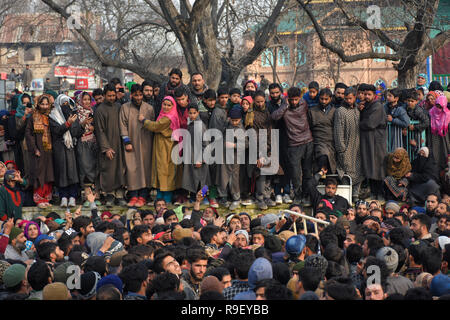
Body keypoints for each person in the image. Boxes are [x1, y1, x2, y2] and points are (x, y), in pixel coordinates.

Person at [271, 86, 313, 204]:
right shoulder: (285, 108)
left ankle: (306, 195)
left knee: (307, 172)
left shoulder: (304, 104)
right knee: (295, 173)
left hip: (308, 141)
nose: (294, 102)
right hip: (293, 144)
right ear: (288, 98)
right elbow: (274, 116)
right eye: (292, 100)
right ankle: (298, 195)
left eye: (296, 99)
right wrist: (285, 105)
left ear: (299, 98)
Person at [139, 96, 182, 204]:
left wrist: (143, 120)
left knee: (166, 171)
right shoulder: (164, 115)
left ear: (173, 106)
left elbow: (155, 126)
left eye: (169, 105)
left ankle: (166, 199)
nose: (166, 107)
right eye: (164, 104)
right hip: (161, 146)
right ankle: (159, 196)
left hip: (167, 148)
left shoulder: (169, 118)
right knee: (160, 170)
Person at [120, 84, 155, 208]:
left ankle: (143, 196)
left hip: (146, 144)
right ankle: (133, 195)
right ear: (131, 95)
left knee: (145, 169)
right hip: (131, 144)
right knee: (131, 169)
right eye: (136, 95)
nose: (139, 97)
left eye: (140, 95)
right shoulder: (125, 108)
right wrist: (127, 142)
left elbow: (153, 126)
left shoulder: (149, 108)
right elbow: (123, 125)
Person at [94, 84, 126, 207]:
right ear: (104, 95)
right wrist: (106, 148)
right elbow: (100, 131)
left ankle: (119, 195)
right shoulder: (100, 110)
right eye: (109, 95)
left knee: (120, 169)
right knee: (108, 171)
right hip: (107, 146)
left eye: (113, 95)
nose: (112, 98)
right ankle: (110, 195)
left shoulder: (119, 107)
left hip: (119, 144)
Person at [49, 94, 84, 207]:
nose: (66, 106)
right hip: (59, 148)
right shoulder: (53, 116)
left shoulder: (72, 115)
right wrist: (68, 123)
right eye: (63, 104)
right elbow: (57, 131)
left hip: (71, 148)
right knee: (62, 172)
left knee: (72, 172)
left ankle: (73, 196)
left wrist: (82, 125)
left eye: (67, 104)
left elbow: (76, 132)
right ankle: (63, 197)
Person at [25, 94, 54, 208]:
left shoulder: (51, 116)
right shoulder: (33, 117)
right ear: (38, 104)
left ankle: (47, 197)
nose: (45, 106)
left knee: (48, 174)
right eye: (42, 104)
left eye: (47, 104)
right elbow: (28, 134)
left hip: (49, 150)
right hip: (38, 149)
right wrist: (34, 148)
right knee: (39, 173)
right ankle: (39, 199)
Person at [333, 87, 363, 202]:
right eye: (346, 98)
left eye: (350, 98)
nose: (348, 101)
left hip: (358, 146)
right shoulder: (340, 111)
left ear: (355, 97)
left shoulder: (358, 110)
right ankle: (347, 196)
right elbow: (338, 131)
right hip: (346, 146)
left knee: (359, 170)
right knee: (346, 170)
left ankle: (355, 194)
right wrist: (341, 148)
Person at [359, 84, 387, 200]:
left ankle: (379, 193)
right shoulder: (366, 105)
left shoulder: (377, 106)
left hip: (376, 140)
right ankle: (373, 192)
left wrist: (358, 124)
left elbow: (370, 123)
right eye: (364, 94)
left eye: (369, 94)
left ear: (374, 95)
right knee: (370, 165)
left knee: (378, 166)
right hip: (368, 140)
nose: (366, 96)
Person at [216, 106, 247, 211]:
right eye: (232, 120)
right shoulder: (226, 126)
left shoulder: (241, 129)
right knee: (223, 177)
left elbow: (246, 144)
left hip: (235, 158)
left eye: (236, 120)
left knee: (234, 179)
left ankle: (236, 198)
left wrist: (234, 145)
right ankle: (223, 197)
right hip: (224, 157)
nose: (234, 122)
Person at [181, 103, 210, 199]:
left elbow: (205, 144)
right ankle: (197, 199)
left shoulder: (199, 126)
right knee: (196, 179)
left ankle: (203, 198)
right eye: (190, 113)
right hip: (193, 155)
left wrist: (200, 159)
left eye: (194, 113)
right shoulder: (192, 124)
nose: (192, 115)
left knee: (201, 180)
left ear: (198, 113)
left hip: (199, 157)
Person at [75, 92, 99, 207]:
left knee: (94, 169)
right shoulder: (76, 113)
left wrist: (93, 127)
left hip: (93, 144)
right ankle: (86, 196)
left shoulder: (93, 112)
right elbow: (74, 132)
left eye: (88, 100)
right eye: (84, 100)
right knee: (84, 169)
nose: (86, 102)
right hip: (82, 144)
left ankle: (95, 196)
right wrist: (82, 124)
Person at [308, 88, 337, 175]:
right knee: (323, 156)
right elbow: (309, 127)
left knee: (331, 165)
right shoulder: (312, 111)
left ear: (330, 99)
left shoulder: (335, 111)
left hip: (331, 142)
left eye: (326, 99)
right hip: (318, 141)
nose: (323, 101)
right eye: (321, 99)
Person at [429, 95, 449, 174]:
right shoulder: (431, 112)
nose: (438, 109)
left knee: (445, 157)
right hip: (434, 138)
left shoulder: (448, 115)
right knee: (435, 157)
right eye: (437, 106)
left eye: (440, 107)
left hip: (445, 139)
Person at [405, 90, 429, 156]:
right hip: (409, 134)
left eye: (412, 101)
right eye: (408, 101)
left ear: (416, 101)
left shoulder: (418, 110)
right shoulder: (406, 108)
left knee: (417, 151)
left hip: (418, 134)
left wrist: (414, 127)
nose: (410, 103)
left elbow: (426, 122)